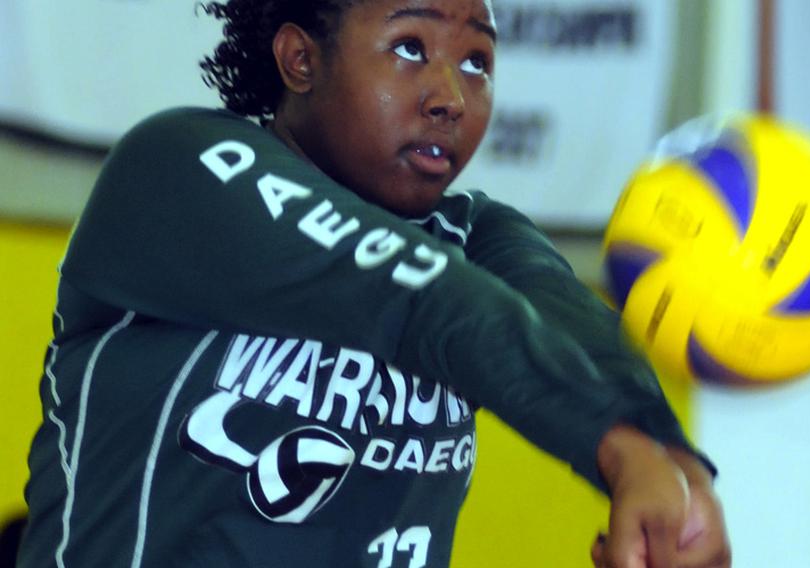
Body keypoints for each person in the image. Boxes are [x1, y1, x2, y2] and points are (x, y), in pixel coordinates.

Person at [17, 0, 730, 566]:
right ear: (301, 59)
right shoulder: (181, 169)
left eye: (477, 61)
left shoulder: (475, 235)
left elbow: (566, 325)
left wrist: (669, 467)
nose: (450, 95)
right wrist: (615, 445)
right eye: (411, 47)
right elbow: (422, 300)